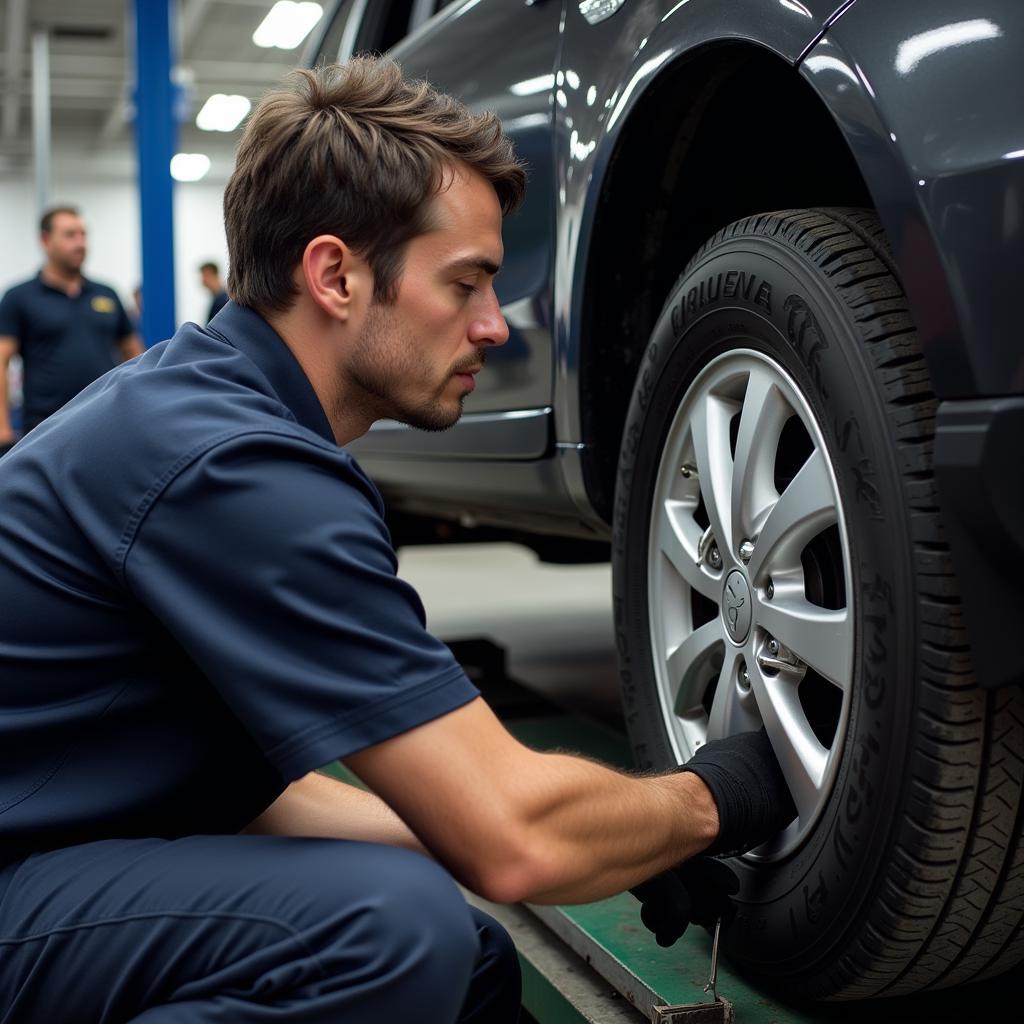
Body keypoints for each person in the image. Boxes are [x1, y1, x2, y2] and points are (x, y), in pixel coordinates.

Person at [0, 58, 794, 1023]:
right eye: (465, 284)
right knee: (390, 933)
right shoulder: (233, 469)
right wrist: (709, 799)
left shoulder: (205, 406)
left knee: (466, 961)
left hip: (50, 850)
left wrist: (626, 843)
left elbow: (251, 801)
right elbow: (512, 841)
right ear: (335, 274)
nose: (496, 327)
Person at [0, 206, 143, 452]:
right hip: (45, 428)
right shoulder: (20, 297)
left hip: (106, 420)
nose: (80, 243)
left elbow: (135, 354)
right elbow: (2, 360)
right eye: (70, 235)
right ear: (45, 240)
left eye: (83, 234)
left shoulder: (106, 294)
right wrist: (2, 428)